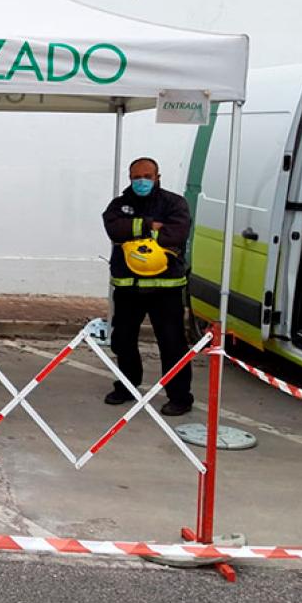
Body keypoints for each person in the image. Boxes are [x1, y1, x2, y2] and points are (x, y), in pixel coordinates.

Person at [102, 157, 194, 416]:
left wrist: (134, 234)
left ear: (157, 177)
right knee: (123, 340)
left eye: (147, 176)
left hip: (166, 289)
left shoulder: (174, 204)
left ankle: (179, 397)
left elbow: (176, 234)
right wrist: (148, 226)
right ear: (130, 178)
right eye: (136, 177)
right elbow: (114, 229)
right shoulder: (119, 205)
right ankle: (127, 386)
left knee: (172, 343)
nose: (141, 181)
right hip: (128, 287)